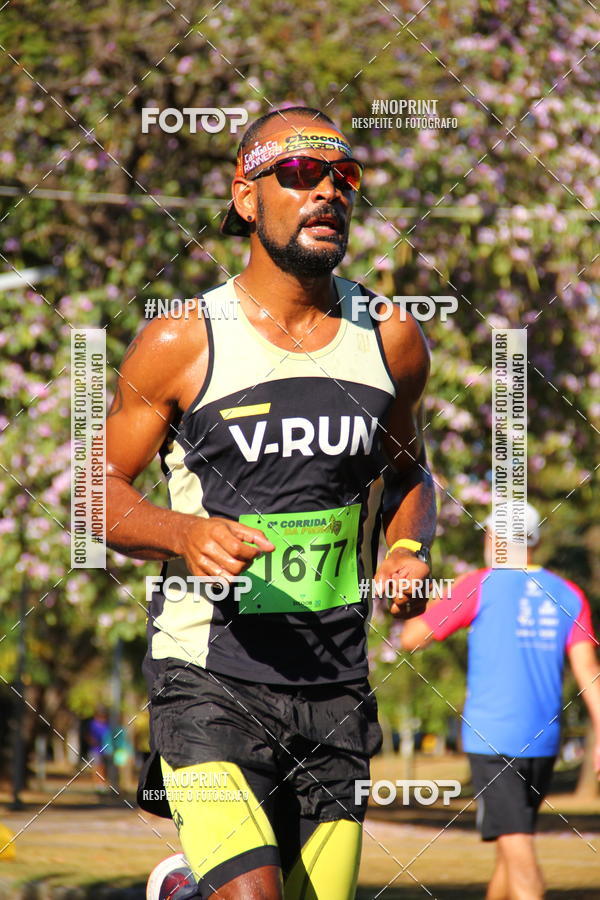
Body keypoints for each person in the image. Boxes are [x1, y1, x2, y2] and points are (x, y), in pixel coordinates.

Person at [106, 105, 437, 900]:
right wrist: (182, 532)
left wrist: (407, 549)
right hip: (208, 676)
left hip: (334, 682)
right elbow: (97, 492)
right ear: (246, 197)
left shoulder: (389, 337)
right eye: (297, 174)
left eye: (342, 176)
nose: (326, 191)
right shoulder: (183, 338)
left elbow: (410, 478)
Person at [401, 503, 600, 900]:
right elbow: (589, 673)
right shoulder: (569, 594)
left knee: (520, 856)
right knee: (513, 848)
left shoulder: (478, 585)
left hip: (492, 742)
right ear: (536, 542)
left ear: (493, 539)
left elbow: (412, 638)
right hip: (544, 746)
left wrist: (410, 597)